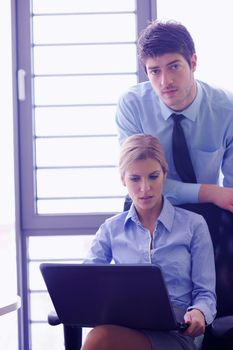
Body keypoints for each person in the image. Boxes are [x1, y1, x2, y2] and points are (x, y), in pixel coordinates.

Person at [82, 134, 216, 350]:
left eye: (153, 176)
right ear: (123, 179)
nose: (145, 188)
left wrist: (199, 312)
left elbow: (205, 293)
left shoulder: (194, 225)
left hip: (177, 333)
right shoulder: (111, 229)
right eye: (135, 179)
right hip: (126, 326)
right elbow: (86, 281)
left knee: (100, 340)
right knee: (101, 337)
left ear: (164, 174)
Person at [115, 19, 233, 213]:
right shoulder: (132, 105)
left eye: (174, 67)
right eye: (155, 71)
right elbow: (136, 177)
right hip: (150, 204)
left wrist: (217, 196)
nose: (165, 81)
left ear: (193, 62)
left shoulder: (227, 109)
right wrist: (210, 192)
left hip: (208, 209)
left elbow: (229, 193)